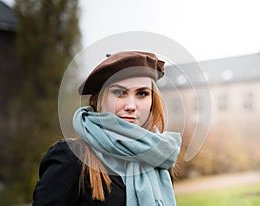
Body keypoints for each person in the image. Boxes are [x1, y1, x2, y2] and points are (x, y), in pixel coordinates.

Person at [32, 51, 181, 206]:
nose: (131, 106)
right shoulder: (71, 158)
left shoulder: (157, 158)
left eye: (142, 93)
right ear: (99, 101)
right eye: (119, 92)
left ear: (152, 101)